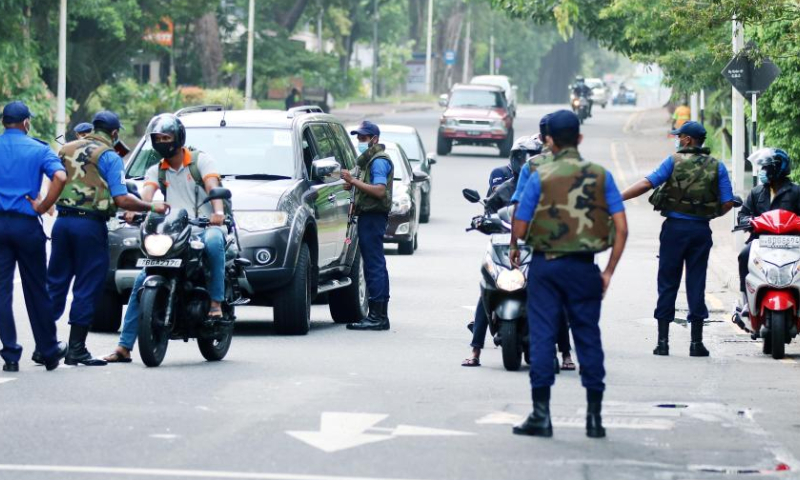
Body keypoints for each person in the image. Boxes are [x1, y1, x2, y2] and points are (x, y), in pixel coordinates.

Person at [510, 110, 628, 438]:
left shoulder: (540, 175)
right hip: (584, 267)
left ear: (549, 140)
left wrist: (519, 241)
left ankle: (541, 415)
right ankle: (594, 417)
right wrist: (608, 272)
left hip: (546, 268)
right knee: (587, 336)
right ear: (579, 138)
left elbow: (519, 225)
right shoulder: (601, 175)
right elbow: (621, 228)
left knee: (544, 335)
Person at [44, 111, 166, 367]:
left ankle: (44, 346)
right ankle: (76, 348)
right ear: (114, 133)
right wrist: (151, 207)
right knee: (88, 284)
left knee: (55, 283)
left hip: (63, 223)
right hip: (89, 226)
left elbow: (55, 182)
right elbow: (121, 199)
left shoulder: (65, 149)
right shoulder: (109, 157)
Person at [103, 113, 225, 363]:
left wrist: (218, 212)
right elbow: (146, 197)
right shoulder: (155, 169)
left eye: (166, 137)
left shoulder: (201, 160)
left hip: (202, 225)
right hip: (175, 231)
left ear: (178, 138)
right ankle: (124, 347)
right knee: (141, 280)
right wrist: (134, 210)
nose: (161, 142)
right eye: (157, 138)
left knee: (214, 242)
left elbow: (213, 187)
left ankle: (215, 302)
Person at [622, 121, 734, 357]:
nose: (677, 139)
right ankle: (696, 344)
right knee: (696, 283)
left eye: (679, 136)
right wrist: (708, 215)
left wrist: (617, 197)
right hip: (701, 231)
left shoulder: (673, 161)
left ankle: (663, 343)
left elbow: (646, 183)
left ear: (687, 140)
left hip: (674, 230)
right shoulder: (717, 166)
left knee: (668, 281)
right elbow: (727, 203)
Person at [462, 135, 543, 367]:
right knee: (486, 289)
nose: (527, 163)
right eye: (522, 158)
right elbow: (488, 209)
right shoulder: (504, 188)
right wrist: (482, 221)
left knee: (552, 292)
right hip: (503, 246)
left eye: (532, 158)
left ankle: (563, 350)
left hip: (535, 246)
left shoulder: (548, 188)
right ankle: (475, 349)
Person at [0, 101, 68, 372]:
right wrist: (43, 205)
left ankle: (10, 354)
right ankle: (49, 351)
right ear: (26, 122)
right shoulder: (39, 149)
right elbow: (61, 177)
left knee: (2, 292)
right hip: (27, 226)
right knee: (36, 289)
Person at [510, 114, 577, 371]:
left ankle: (551, 351)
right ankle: (566, 353)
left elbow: (520, 206)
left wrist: (514, 244)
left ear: (545, 138)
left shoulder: (533, 166)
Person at [342, 120, 393, 331]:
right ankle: (379, 315)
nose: (360, 141)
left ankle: (377, 317)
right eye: (358, 138)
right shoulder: (367, 161)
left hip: (373, 217)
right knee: (375, 263)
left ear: (374, 139)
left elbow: (380, 190)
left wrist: (353, 182)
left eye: (363, 138)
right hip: (369, 216)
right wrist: (351, 183)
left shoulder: (378, 161)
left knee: (373, 264)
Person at [737, 148, 800, 316]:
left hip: (792, 242)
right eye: (762, 168)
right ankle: (746, 301)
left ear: (778, 168)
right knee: (744, 255)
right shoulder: (756, 192)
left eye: (766, 168)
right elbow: (743, 213)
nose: (763, 172)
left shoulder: (796, 192)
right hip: (761, 241)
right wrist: (746, 221)